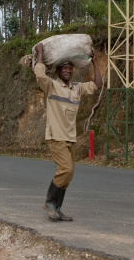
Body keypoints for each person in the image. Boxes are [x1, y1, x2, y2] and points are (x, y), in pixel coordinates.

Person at [34, 42, 102, 221]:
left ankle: (57, 208)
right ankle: (49, 203)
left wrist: (95, 63)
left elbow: (97, 84)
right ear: (58, 71)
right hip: (56, 136)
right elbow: (40, 75)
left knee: (69, 174)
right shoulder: (51, 86)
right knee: (66, 169)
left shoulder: (76, 89)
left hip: (71, 137)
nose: (68, 71)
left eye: (70, 68)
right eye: (64, 68)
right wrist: (40, 52)